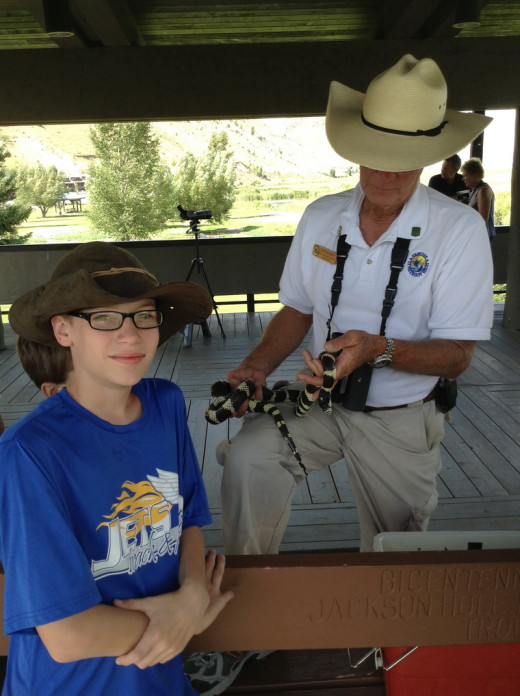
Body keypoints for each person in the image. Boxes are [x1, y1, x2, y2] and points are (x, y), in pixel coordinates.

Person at [215, 54, 494, 557]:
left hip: (400, 414)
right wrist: (255, 367)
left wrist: (375, 349)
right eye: (374, 155)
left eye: (402, 160)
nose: (385, 174)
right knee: (247, 460)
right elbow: (298, 309)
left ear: (429, 157)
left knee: (397, 551)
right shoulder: (321, 217)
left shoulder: (459, 230)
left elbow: (458, 355)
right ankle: (247, 606)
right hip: (318, 403)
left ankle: (386, 634)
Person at [0, 241, 234, 696]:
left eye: (143, 315)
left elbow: (185, 519)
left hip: (161, 681)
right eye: (103, 317)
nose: (130, 335)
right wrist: (181, 622)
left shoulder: (166, 404)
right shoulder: (30, 451)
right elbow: (68, 637)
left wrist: (192, 596)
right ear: (63, 330)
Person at [461, 157, 496, 242]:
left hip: (483, 235)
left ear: (475, 175)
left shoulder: (483, 190)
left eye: (465, 175)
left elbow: (482, 219)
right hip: (477, 234)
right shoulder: (473, 190)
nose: (463, 179)